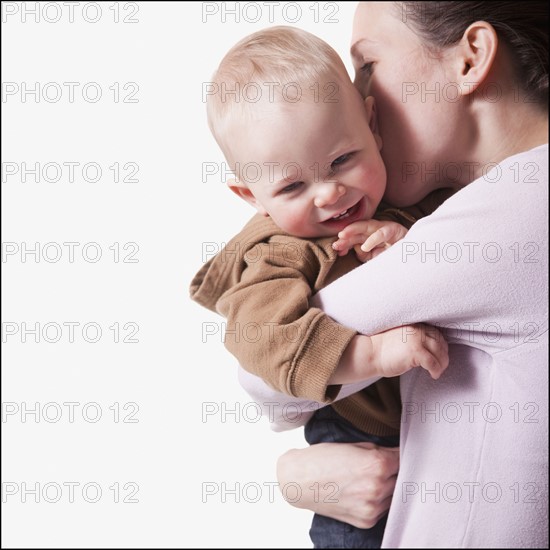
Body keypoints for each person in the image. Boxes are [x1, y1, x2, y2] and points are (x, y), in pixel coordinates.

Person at [271, 2, 548, 548]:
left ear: (470, 58)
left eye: (367, 66)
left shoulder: (521, 208)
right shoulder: (477, 211)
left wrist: (293, 468)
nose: (357, 97)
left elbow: (267, 380)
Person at [190, 26, 452, 548]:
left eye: (341, 161)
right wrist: (371, 355)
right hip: (355, 439)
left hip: (436, 433)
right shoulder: (279, 254)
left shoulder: (402, 203)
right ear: (252, 196)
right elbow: (260, 336)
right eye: (291, 186)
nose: (329, 192)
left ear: (373, 125)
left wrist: (401, 239)